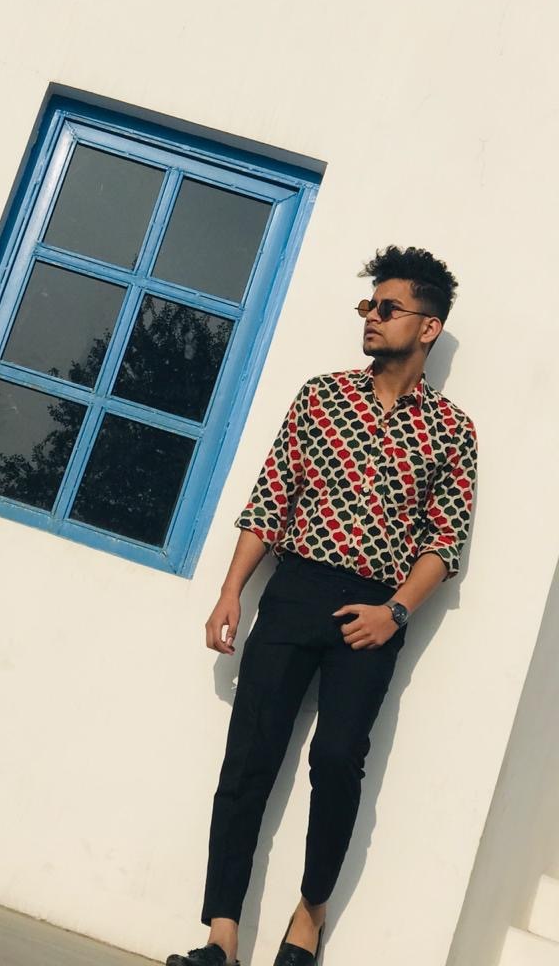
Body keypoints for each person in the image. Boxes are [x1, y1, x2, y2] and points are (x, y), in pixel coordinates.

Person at [166, 246, 478, 966]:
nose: (371, 317)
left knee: (338, 761)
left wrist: (395, 612)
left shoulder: (452, 429)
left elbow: (445, 539)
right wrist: (230, 591)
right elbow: (271, 497)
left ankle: (309, 917)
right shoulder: (321, 397)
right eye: (368, 305)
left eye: (388, 307)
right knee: (249, 759)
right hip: (295, 592)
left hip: (373, 615)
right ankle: (220, 936)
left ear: (428, 327)